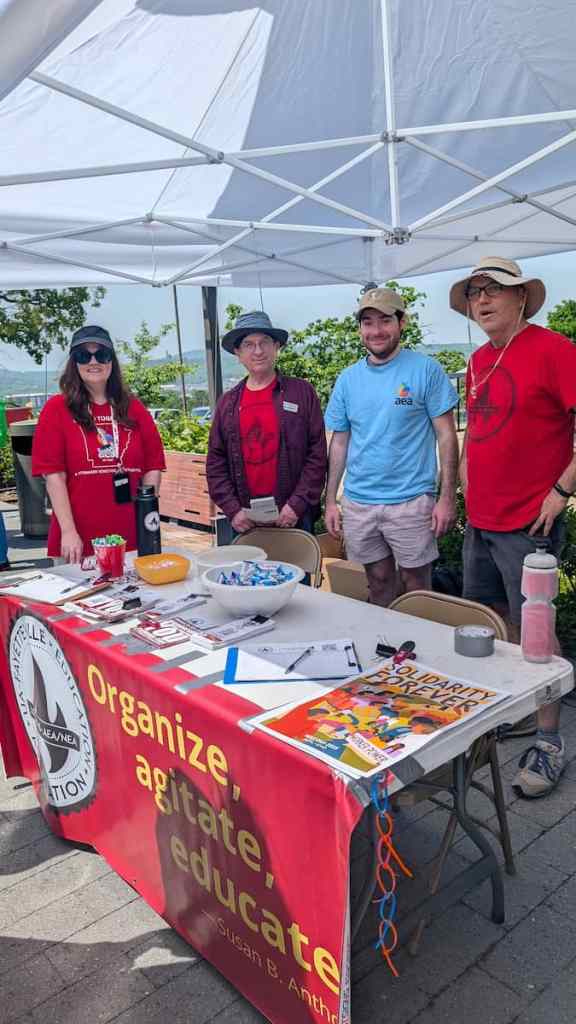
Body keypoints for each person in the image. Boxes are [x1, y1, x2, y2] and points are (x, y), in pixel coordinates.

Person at [450, 255, 576, 797]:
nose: (483, 299)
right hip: (481, 518)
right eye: (475, 291)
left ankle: (549, 743)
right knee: (492, 625)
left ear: (521, 296)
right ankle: (516, 711)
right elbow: (474, 430)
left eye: (494, 290)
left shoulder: (555, 351)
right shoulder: (479, 359)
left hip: (530, 520)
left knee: (536, 635)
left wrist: (562, 490)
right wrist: (459, 481)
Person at [324, 287, 459, 605]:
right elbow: (340, 442)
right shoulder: (347, 379)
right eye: (367, 322)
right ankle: (385, 650)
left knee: (417, 586)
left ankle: (419, 650)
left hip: (411, 501)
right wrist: (330, 500)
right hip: (359, 502)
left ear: (402, 323)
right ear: (360, 329)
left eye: (385, 320)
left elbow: (447, 436)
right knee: (378, 581)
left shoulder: (426, 370)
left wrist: (447, 498)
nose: (376, 331)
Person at [32, 325, 165, 562]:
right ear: (74, 363)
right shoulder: (56, 409)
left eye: (101, 354)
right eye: (84, 355)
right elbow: (54, 476)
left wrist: (148, 517)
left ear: (111, 361)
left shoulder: (133, 408)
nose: (94, 362)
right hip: (78, 539)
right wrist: (69, 531)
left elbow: (153, 465)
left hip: (132, 535)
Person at [206, 311, 327, 535]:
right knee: (246, 571)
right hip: (245, 523)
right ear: (238, 352)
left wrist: (296, 505)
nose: (258, 351)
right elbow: (215, 464)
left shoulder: (301, 393)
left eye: (265, 343)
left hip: (294, 518)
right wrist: (233, 511)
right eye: (249, 344)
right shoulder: (227, 404)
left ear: (276, 347)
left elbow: (317, 455)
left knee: (299, 571)